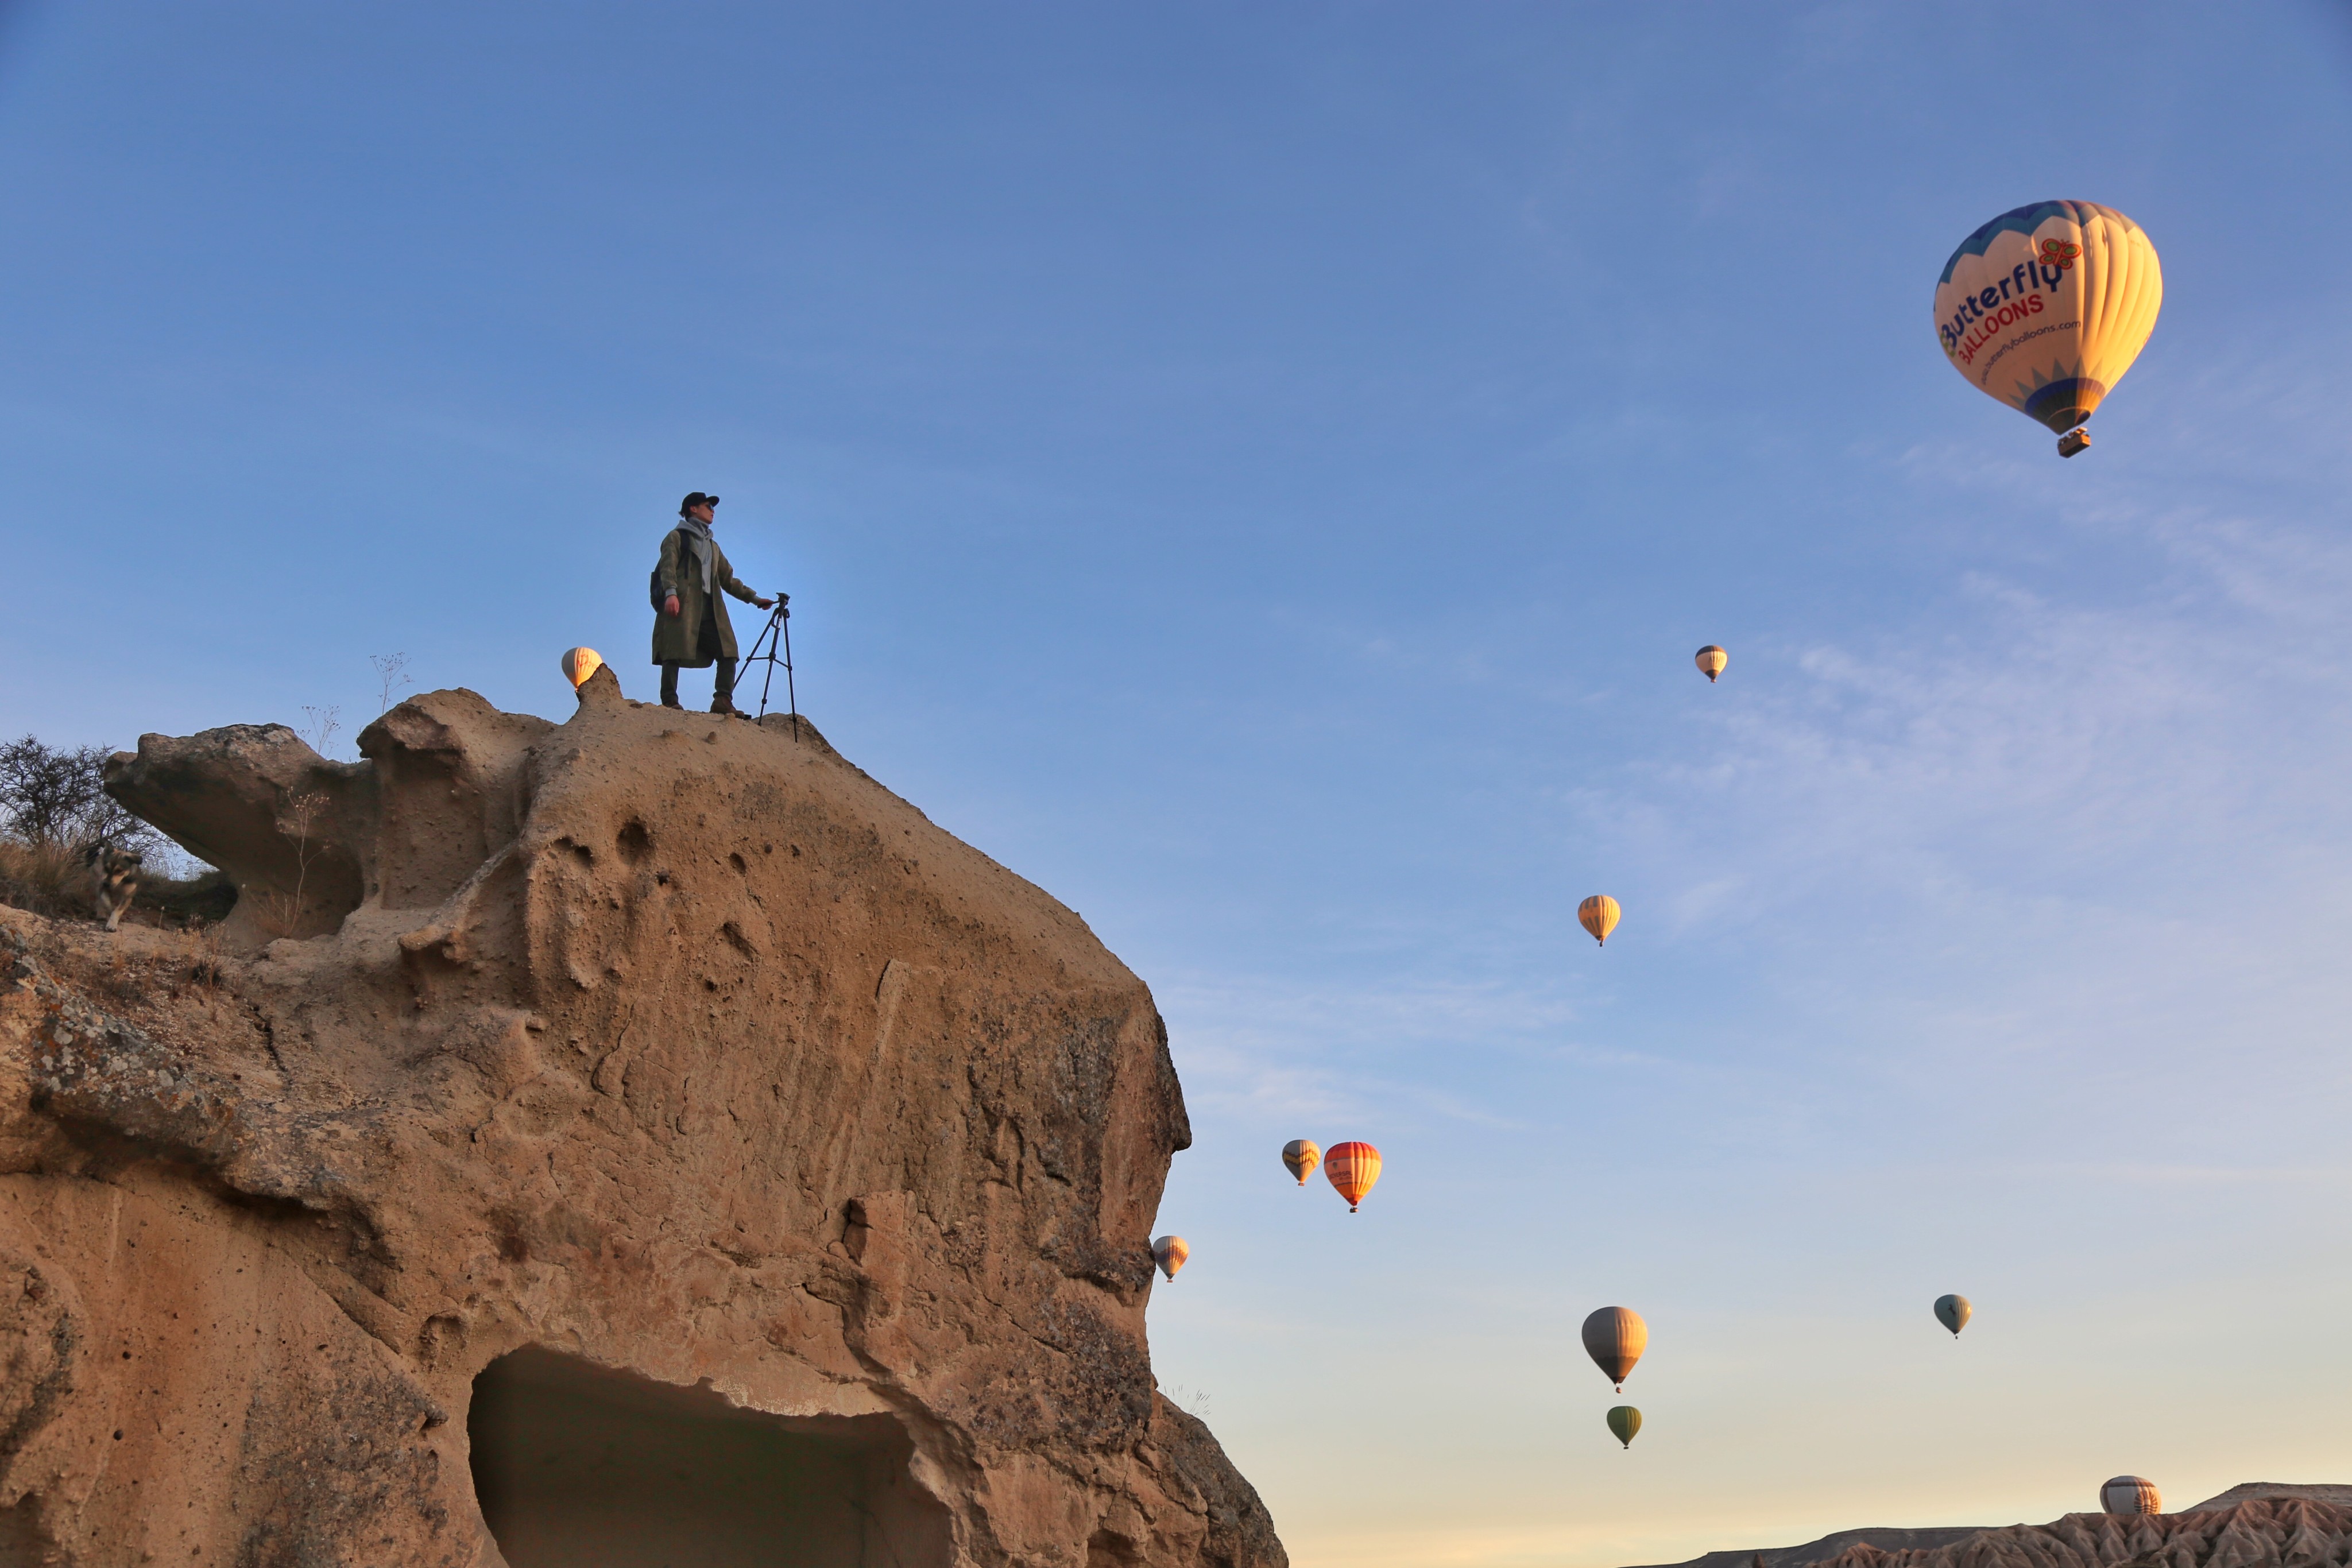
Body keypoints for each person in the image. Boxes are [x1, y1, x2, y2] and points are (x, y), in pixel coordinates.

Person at [652, 492, 780, 714]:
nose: (713, 511)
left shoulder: (713, 547)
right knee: (672, 650)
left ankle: (722, 700)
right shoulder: (676, 537)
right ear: (693, 509)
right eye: (708, 506)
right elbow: (667, 567)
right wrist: (671, 593)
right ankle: (670, 700)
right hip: (683, 603)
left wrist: (755, 599)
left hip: (710, 607)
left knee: (728, 651)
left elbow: (728, 580)